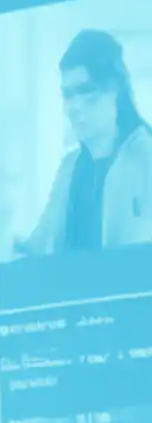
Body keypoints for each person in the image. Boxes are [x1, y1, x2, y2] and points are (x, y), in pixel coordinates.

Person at [18, 26, 152, 255]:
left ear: (115, 89)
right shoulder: (69, 168)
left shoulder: (145, 158)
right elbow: (38, 246)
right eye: (68, 94)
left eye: (86, 90)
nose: (74, 107)